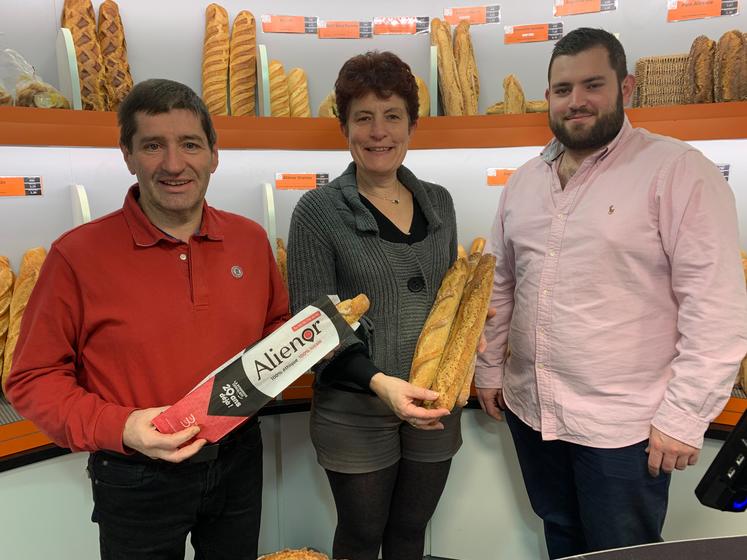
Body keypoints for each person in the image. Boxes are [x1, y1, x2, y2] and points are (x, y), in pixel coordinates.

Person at [475, 27, 747, 559]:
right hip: (534, 413)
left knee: (623, 551)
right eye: (562, 89)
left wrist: (684, 416)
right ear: (548, 96)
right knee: (561, 536)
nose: (575, 101)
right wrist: (488, 370)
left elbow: (715, 306)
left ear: (627, 88)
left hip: (625, 428)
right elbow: (503, 282)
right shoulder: (525, 180)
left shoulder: (677, 171)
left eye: (592, 85)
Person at [5, 79, 290, 559]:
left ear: (214, 155)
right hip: (134, 473)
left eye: (190, 145)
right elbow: (32, 379)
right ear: (127, 155)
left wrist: (310, 340)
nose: (174, 164)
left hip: (239, 455)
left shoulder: (250, 240)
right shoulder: (76, 256)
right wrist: (122, 426)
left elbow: (272, 327)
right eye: (153, 146)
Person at [287, 51, 460, 560]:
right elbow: (312, 325)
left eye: (392, 116)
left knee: (410, 532)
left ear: (412, 125)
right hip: (356, 406)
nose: (378, 131)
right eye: (363, 117)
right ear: (344, 127)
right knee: (362, 537)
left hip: (434, 401)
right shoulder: (318, 211)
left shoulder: (440, 202)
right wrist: (380, 383)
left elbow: (447, 301)